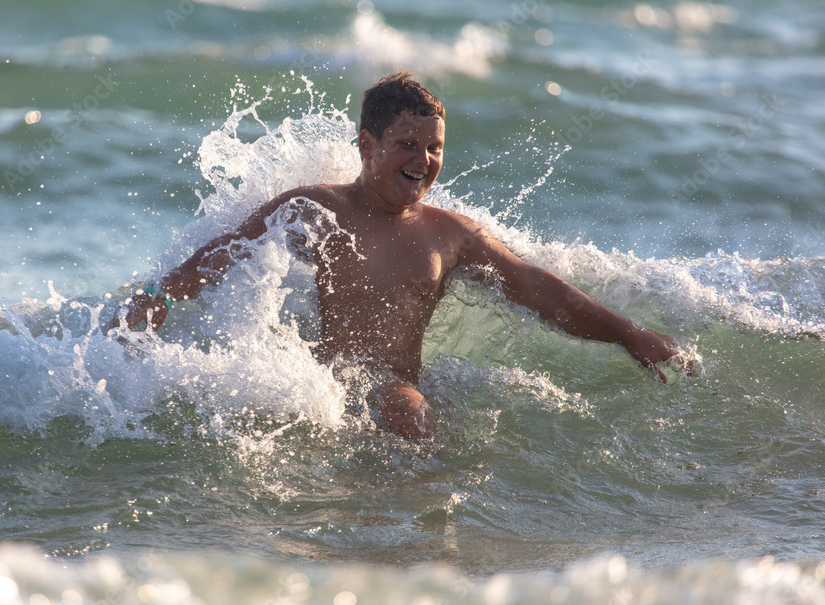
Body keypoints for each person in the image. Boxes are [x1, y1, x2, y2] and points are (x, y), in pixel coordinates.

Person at [111, 71, 687, 440]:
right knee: (402, 417)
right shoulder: (315, 207)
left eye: (435, 147)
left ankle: (414, 522)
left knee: (409, 412)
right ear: (367, 146)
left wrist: (627, 333)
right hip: (324, 388)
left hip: (397, 386)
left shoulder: (449, 235)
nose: (424, 159)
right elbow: (222, 255)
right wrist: (158, 296)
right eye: (408, 144)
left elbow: (536, 289)